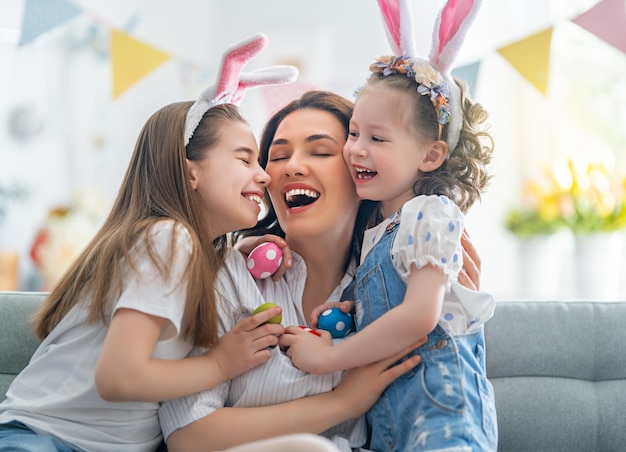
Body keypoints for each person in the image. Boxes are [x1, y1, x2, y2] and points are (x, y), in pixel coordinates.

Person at [0, 34, 297, 452]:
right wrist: (220, 363)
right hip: (44, 442)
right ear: (189, 171)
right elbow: (119, 378)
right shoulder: (169, 238)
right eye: (244, 158)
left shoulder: (189, 249)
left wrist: (229, 255)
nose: (264, 176)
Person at [160, 90, 486, 452]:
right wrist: (341, 403)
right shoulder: (230, 274)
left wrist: (455, 299)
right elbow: (186, 436)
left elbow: (445, 378)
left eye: (320, 152)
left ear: (362, 171)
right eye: (278, 156)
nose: (291, 166)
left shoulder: (394, 290)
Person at [279, 0, 497, 450]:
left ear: (430, 156)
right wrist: (352, 310)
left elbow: (419, 316)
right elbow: (393, 296)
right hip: (392, 428)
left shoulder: (429, 213)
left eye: (377, 139)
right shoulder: (380, 226)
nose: (356, 149)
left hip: (443, 419)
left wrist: (330, 356)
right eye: (354, 133)